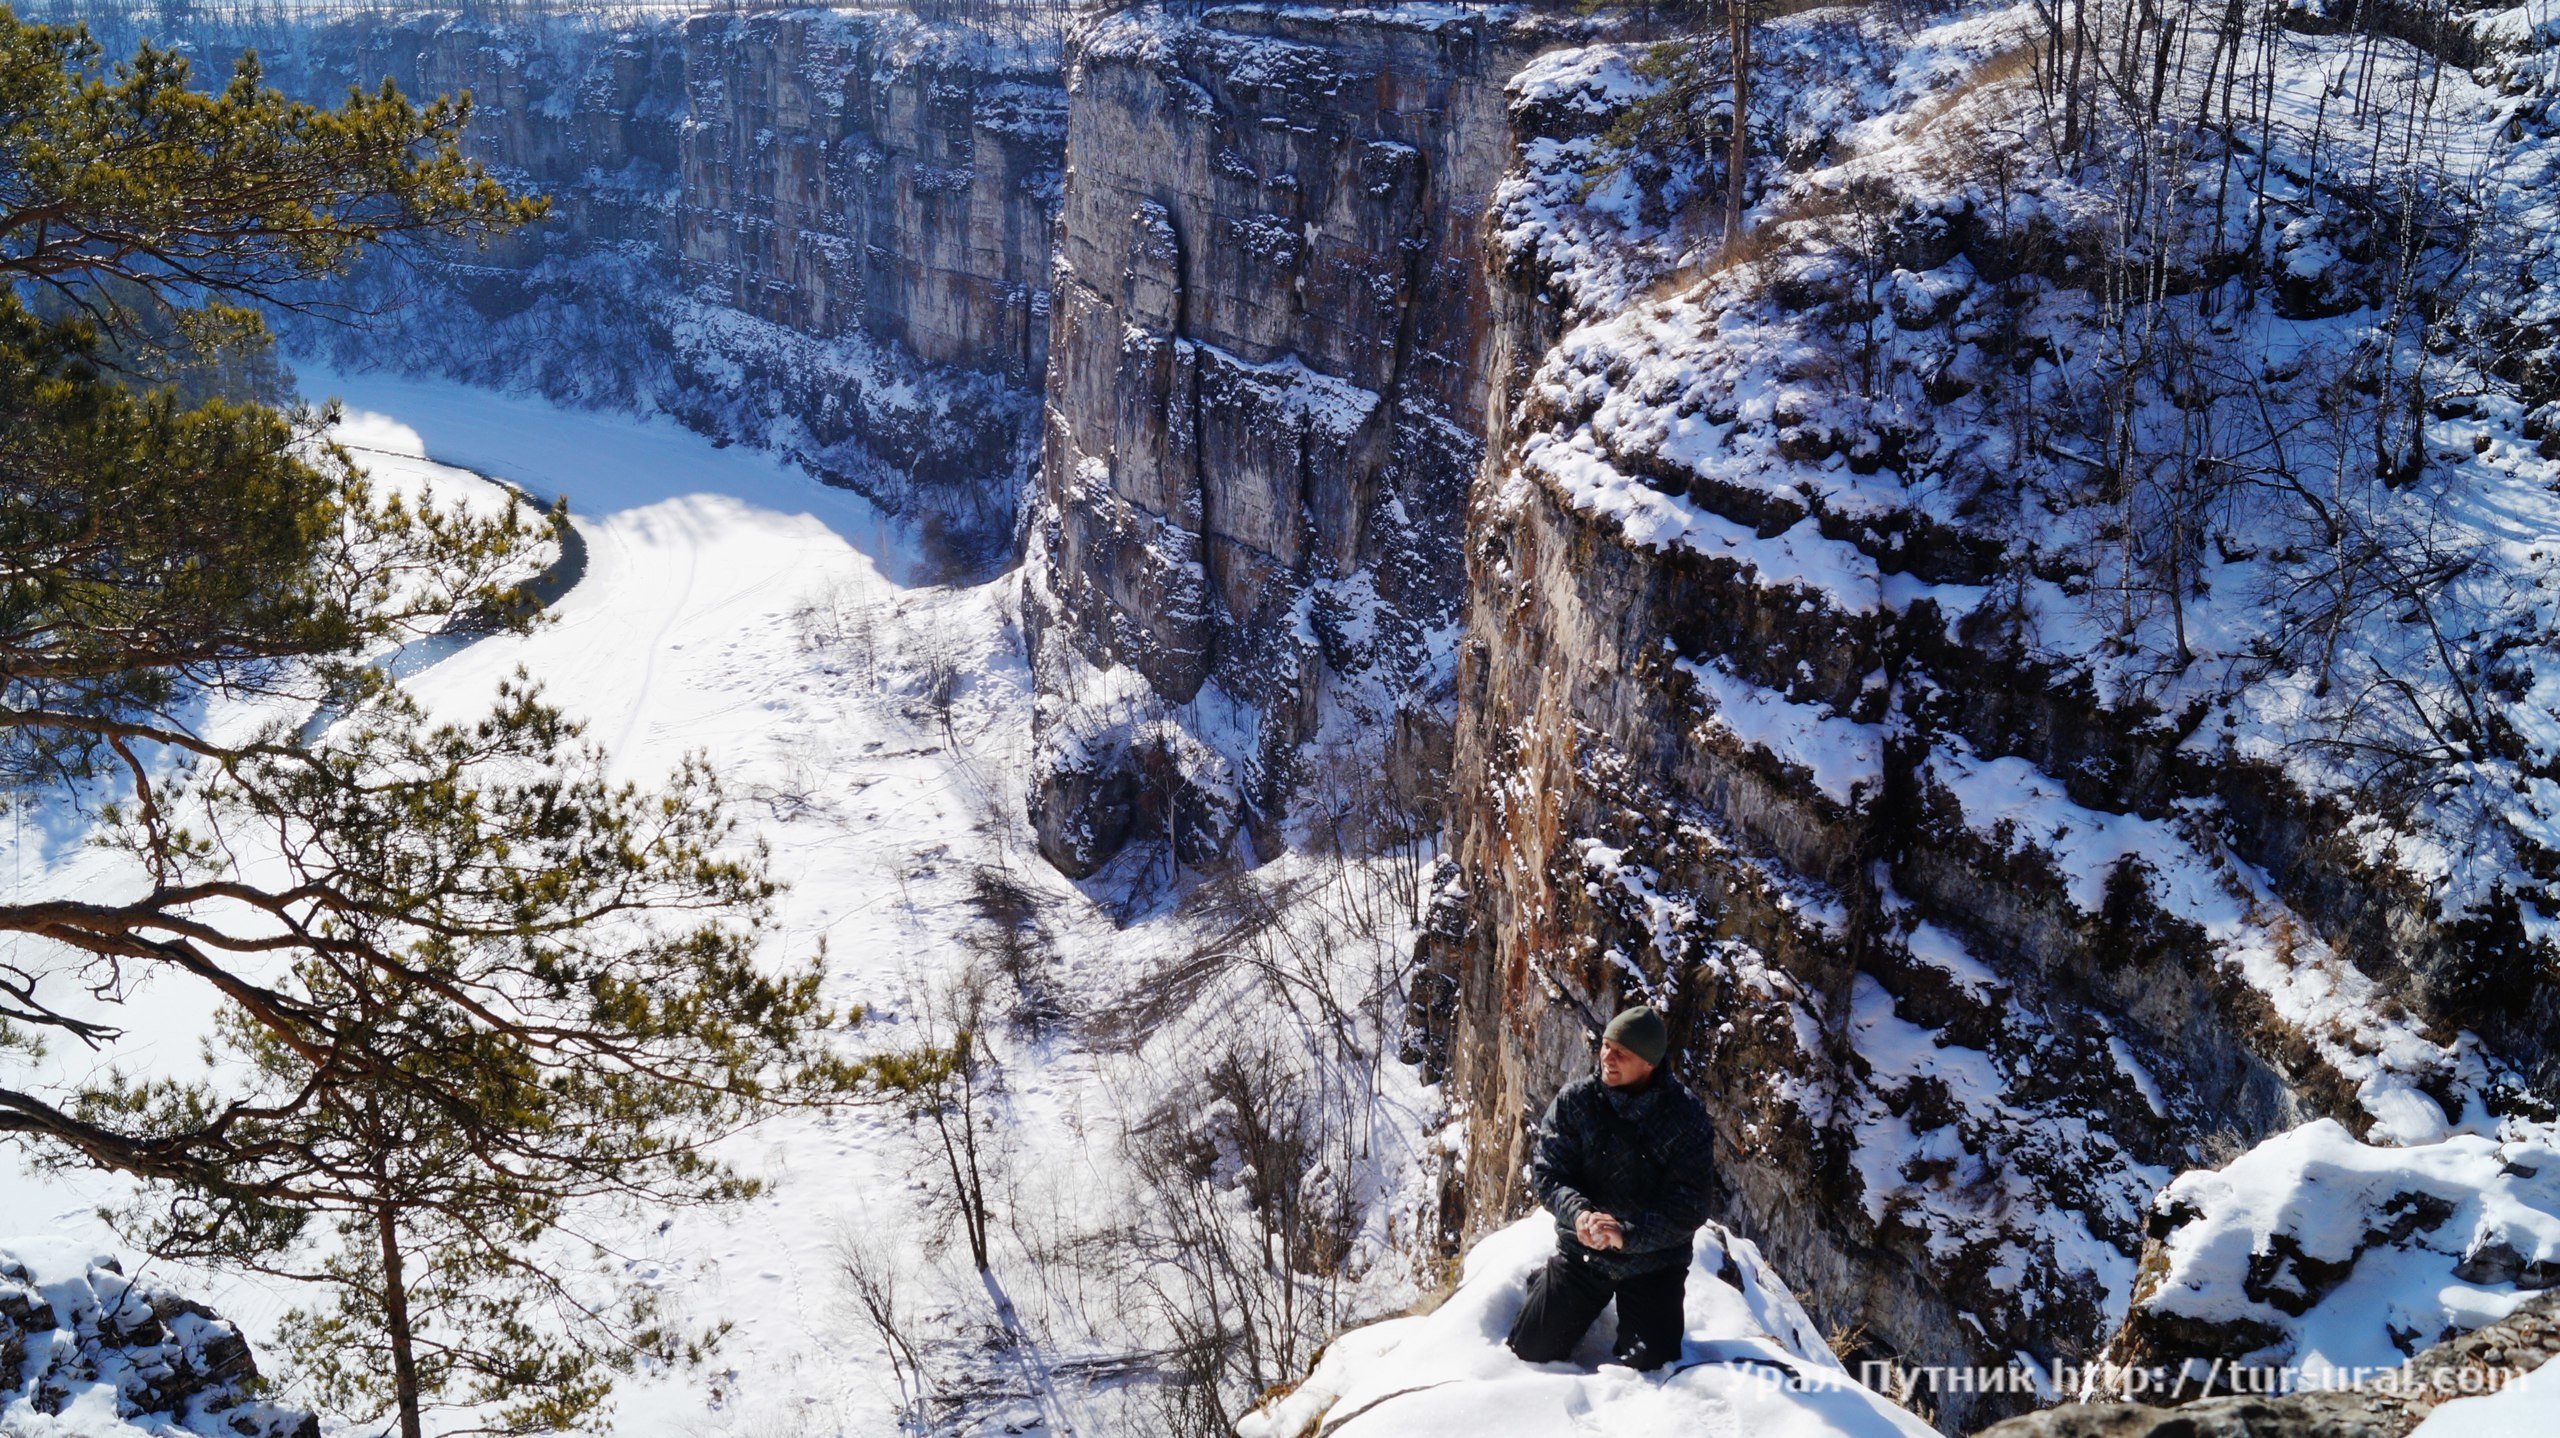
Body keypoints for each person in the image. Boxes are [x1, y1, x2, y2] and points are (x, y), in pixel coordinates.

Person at [1505, 1003, 1717, 1372]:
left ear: (1649, 1064)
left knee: (1651, 1363)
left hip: (1654, 1262)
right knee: (1530, 1350)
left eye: (1621, 1053)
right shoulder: (1575, 1102)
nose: (1608, 1057)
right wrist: (1580, 1215)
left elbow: (1691, 1204)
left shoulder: (1686, 1117)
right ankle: (1549, 1285)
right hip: (1584, 1250)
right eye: (1606, 1045)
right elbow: (1550, 1174)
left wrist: (1628, 1235)